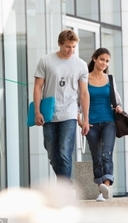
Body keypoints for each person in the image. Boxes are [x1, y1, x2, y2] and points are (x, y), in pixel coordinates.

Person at [33, 29, 90, 181]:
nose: (71, 50)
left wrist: (85, 119)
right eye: (67, 46)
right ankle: (65, 182)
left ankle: (64, 187)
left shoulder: (81, 65)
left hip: (70, 112)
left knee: (65, 151)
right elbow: (38, 87)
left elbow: (84, 93)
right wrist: (37, 112)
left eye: (73, 47)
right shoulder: (46, 61)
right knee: (52, 153)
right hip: (49, 112)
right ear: (59, 44)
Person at [78, 48, 122, 202]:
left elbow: (117, 100)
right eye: (102, 59)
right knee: (97, 156)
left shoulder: (110, 79)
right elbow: (77, 104)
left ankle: (107, 186)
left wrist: (119, 108)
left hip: (109, 121)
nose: (104, 63)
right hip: (91, 124)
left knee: (106, 154)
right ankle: (101, 191)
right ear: (95, 59)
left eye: (107, 61)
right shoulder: (84, 79)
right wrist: (81, 121)